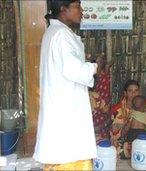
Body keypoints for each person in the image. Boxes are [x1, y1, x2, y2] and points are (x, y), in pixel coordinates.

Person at [33, 1, 101, 170]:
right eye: (77, 6)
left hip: (62, 105)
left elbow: (66, 65)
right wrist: (95, 66)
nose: (81, 10)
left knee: (62, 155)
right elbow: (74, 70)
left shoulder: (54, 32)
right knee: (71, 157)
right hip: (67, 110)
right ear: (64, 9)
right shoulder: (61, 35)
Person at [110, 79, 146, 159]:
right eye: (130, 91)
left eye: (136, 90)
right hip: (125, 139)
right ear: (125, 93)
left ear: (139, 92)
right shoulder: (117, 109)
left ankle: (136, 151)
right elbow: (115, 132)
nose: (133, 93)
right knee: (116, 149)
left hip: (143, 137)